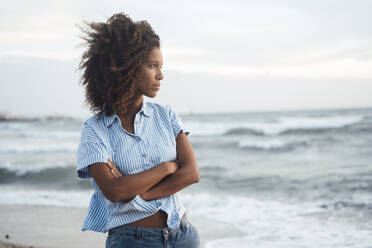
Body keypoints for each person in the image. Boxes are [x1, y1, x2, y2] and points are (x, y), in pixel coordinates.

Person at [76, 12, 200, 248]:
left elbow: (192, 173)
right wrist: (167, 168)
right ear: (127, 68)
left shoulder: (167, 115)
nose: (160, 75)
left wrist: (142, 194)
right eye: (153, 66)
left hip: (182, 235)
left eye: (161, 66)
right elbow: (114, 191)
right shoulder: (95, 129)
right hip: (132, 241)